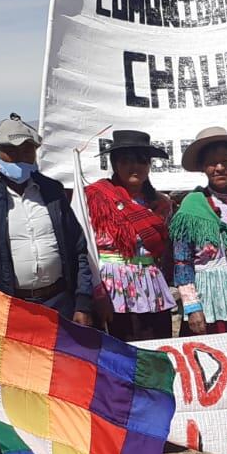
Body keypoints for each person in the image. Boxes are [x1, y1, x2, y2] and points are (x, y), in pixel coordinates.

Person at [0, 115, 94, 325]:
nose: (20, 158)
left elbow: (78, 248)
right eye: (12, 152)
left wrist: (83, 302)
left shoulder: (52, 191)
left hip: (60, 303)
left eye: (27, 151)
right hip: (12, 308)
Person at [82, 130, 175, 340]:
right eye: (126, 161)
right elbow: (83, 249)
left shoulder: (161, 204)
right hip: (110, 288)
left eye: (142, 161)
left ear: (149, 165)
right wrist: (94, 293)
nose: (135, 167)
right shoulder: (95, 198)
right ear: (115, 164)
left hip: (151, 287)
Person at [170, 126, 227, 334]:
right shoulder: (191, 206)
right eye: (211, 163)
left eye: (225, 161)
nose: (219, 168)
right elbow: (182, 261)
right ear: (202, 167)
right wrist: (192, 306)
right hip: (207, 302)